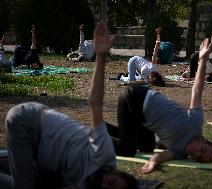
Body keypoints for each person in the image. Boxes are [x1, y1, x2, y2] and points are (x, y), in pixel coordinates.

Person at [0, 21, 137, 189]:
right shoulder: (104, 154)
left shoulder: (89, 184)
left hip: (42, 146)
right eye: (111, 182)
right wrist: (100, 57)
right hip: (28, 123)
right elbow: (95, 104)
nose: (104, 185)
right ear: (116, 173)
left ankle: (10, 159)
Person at [106, 35, 212, 174]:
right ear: (203, 140)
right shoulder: (195, 123)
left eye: (199, 159)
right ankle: (93, 134)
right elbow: (196, 90)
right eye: (202, 150)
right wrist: (202, 60)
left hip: (142, 117)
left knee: (147, 147)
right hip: (134, 98)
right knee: (127, 150)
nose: (197, 154)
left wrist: (153, 163)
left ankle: (104, 128)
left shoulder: (179, 152)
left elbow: (159, 156)